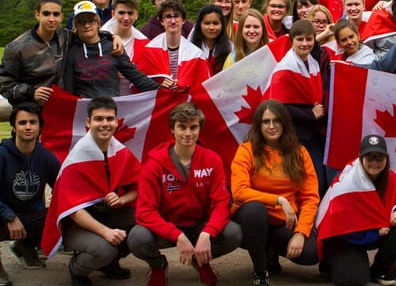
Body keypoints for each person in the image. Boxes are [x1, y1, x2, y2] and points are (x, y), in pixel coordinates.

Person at [128, 102, 242, 286]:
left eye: (193, 127)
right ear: (172, 129)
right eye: (182, 127)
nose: (188, 133)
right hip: (168, 226)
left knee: (233, 233)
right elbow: (144, 211)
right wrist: (177, 236)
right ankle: (158, 265)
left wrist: (207, 233)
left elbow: (221, 204)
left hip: (199, 225)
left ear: (199, 129)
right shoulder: (154, 164)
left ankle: (201, 260)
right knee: (137, 237)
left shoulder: (212, 160)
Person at [42, 96, 141, 286]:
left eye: (110, 119)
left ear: (116, 121)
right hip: (77, 226)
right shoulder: (76, 161)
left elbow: (139, 188)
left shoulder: (120, 151)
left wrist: (122, 199)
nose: (105, 124)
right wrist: (106, 232)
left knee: (145, 220)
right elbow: (74, 211)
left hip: (108, 215)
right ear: (88, 122)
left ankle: (108, 264)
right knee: (104, 249)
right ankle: (78, 268)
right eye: (99, 119)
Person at [231, 100, 320, 285]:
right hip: (251, 219)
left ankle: (270, 251)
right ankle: (260, 271)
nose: (271, 126)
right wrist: (278, 200)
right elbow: (239, 192)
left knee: (311, 253)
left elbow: (310, 198)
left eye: (276, 121)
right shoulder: (246, 150)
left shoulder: (300, 152)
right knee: (255, 210)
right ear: (259, 125)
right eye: (266, 121)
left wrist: (301, 233)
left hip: (283, 222)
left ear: (284, 123)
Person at [316, 135, 396, 286]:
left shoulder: (391, 178)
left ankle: (379, 270)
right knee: (355, 280)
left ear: (386, 159)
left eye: (379, 158)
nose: (374, 162)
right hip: (343, 238)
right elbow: (339, 225)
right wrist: (373, 233)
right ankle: (332, 262)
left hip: (373, 230)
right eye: (370, 157)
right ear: (360, 158)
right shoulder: (347, 183)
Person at [266, 20, 328, 195]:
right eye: (300, 39)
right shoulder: (285, 68)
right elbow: (279, 107)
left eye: (309, 39)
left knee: (318, 182)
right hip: (294, 136)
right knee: (302, 183)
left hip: (311, 134)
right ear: (292, 40)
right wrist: (310, 114)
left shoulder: (313, 62)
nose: (305, 44)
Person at [0, 103, 60, 283]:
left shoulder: (47, 157)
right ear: (13, 127)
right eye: (22, 122)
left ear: (40, 127)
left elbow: (63, 186)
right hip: (2, 215)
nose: (28, 127)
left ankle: (24, 247)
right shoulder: (2, 154)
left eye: (33, 122)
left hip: (29, 215)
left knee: (64, 216)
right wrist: (9, 216)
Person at [61, 1, 161, 98]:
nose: (86, 25)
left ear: (98, 23)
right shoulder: (70, 49)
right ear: (75, 26)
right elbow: (68, 86)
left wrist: (162, 91)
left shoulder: (113, 46)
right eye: (81, 22)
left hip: (110, 108)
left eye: (90, 21)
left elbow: (134, 75)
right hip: (84, 109)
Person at [0, 0, 70, 106]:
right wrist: (30, 92)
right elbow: (4, 83)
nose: (51, 19)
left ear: (61, 17)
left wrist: (109, 41)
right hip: (31, 110)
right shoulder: (17, 47)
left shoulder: (67, 37)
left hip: (61, 108)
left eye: (56, 14)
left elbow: (93, 37)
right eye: (46, 13)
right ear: (37, 15)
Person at [138, 0, 210, 92]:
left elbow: (202, 88)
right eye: (168, 17)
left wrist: (184, 87)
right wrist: (158, 84)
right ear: (161, 21)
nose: (172, 21)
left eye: (176, 16)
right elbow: (139, 83)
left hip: (185, 104)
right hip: (161, 103)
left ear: (183, 20)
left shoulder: (195, 54)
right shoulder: (149, 51)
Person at [100, 0, 149, 67]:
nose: (126, 18)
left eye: (130, 13)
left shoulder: (144, 42)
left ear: (136, 15)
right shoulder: (100, 37)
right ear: (113, 14)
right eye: (121, 13)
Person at [189, 5, 233, 75]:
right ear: (199, 25)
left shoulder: (230, 49)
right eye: (207, 23)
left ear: (222, 25)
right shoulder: (190, 49)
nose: (211, 27)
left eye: (215, 23)